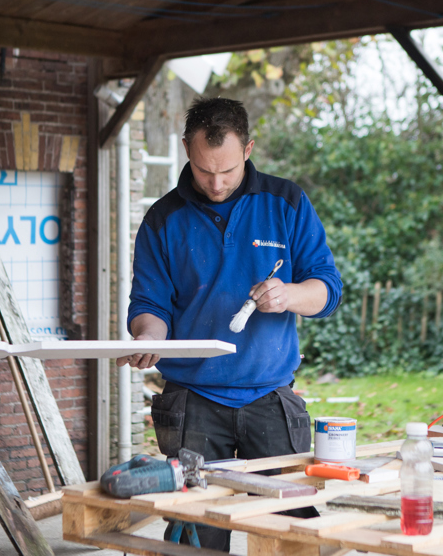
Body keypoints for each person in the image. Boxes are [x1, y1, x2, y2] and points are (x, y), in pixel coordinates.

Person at [117, 97, 342, 551]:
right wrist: (148, 336)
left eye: (227, 171)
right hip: (193, 401)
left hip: (270, 395)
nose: (216, 184)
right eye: (203, 171)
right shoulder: (163, 220)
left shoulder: (287, 202)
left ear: (248, 149)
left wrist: (289, 295)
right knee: (196, 534)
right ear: (186, 150)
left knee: (292, 534)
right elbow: (150, 305)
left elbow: (327, 289)